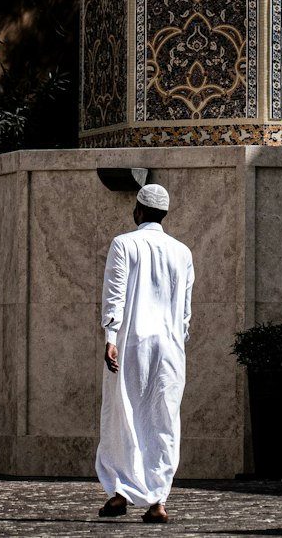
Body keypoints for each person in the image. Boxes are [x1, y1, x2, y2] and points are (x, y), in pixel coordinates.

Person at [95, 183, 194, 522]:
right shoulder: (182, 252)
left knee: (123, 415)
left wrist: (111, 336)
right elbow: (185, 310)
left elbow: (115, 293)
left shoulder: (124, 243)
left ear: (138, 211)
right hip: (169, 348)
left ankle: (120, 493)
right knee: (163, 421)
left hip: (131, 344)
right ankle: (157, 501)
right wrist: (179, 343)